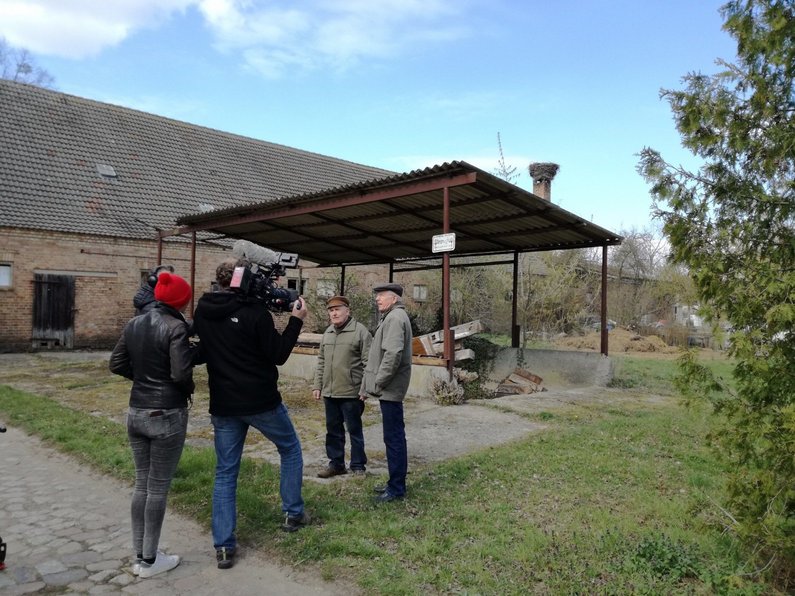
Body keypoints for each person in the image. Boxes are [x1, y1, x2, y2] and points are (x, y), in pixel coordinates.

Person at [191, 257, 309, 570]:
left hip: (224, 405)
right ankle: (293, 512)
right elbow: (279, 354)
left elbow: (203, 350)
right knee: (290, 449)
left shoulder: (203, 310)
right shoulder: (254, 312)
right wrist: (296, 319)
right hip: (261, 402)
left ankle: (224, 547)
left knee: (225, 472)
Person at [109, 272, 194, 578]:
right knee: (158, 488)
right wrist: (184, 391)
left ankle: (139, 555)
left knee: (141, 484)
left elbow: (116, 363)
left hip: (136, 411)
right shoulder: (175, 327)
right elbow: (181, 374)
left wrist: (144, 380)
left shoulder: (133, 323)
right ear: (181, 301)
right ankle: (150, 560)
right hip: (166, 414)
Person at [360, 282, 413, 503]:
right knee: (393, 437)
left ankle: (396, 489)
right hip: (389, 388)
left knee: (393, 438)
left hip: (390, 389)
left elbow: (392, 355)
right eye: (377, 296)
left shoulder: (395, 319)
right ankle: (395, 483)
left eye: (381, 295)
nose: (377, 299)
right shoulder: (392, 317)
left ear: (394, 298)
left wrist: (378, 383)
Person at [312, 295, 373, 478]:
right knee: (333, 431)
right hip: (330, 392)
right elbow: (321, 361)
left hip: (351, 392)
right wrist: (317, 385)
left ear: (348, 311)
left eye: (338, 309)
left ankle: (358, 466)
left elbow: (368, 363)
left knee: (354, 430)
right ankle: (336, 464)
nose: (334, 313)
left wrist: (365, 389)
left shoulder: (360, 332)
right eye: (331, 310)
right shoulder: (328, 332)